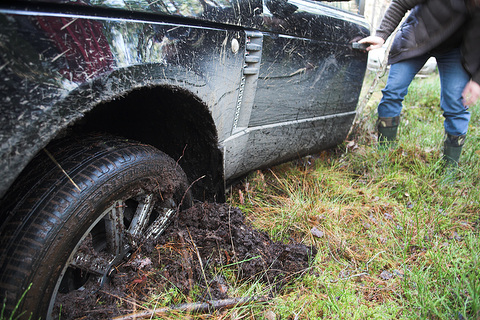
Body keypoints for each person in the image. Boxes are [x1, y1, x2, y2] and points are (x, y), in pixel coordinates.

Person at [359, 0, 480, 166]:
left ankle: (450, 168)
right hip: (417, 37)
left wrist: (477, 80)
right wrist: (381, 35)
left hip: (457, 51)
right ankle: (383, 154)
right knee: (393, 90)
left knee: (456, 104)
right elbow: (401, 3)